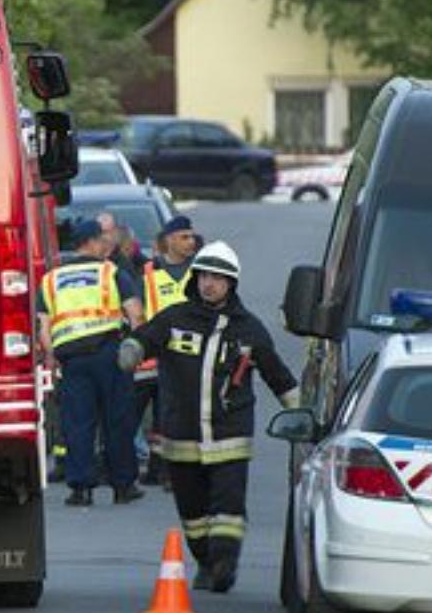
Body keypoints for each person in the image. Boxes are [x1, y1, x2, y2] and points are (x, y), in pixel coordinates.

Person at [118, 241, 298, 592]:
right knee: (193, 514)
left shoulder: (249, 329)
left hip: (230, 435)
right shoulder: (175, 317)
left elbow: (278, 376)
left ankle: (225, 564)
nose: (209, 283)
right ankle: (205, 561)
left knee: (228, 508)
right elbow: (146, 338)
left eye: (218, 278)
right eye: (203, 276)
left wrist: (303, 415)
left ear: (231, 284)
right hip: (182, 436)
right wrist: (132, 350)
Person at [39, 218, 145, 507]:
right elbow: (135, 314)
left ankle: (80, 489)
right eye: (102, 240)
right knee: (117, 420)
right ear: (90, 242)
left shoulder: (51, 279)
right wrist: (137, 350)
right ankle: (123, 486)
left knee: (78, 423)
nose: (106, 244)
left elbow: (43, 328)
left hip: (72, 361)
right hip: (109, 355)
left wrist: (52, 359)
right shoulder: (111, 273)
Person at [131, 215, 203, 488]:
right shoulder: (149, 272)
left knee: (181, 415)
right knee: (159, 415)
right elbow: (138, 313)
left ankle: (175, 470)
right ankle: (158, 468)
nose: (191, 241)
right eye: (184, 237)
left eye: (192, 236)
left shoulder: (200, 271)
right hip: (157, 353)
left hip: (190, 353)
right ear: (170, 240)